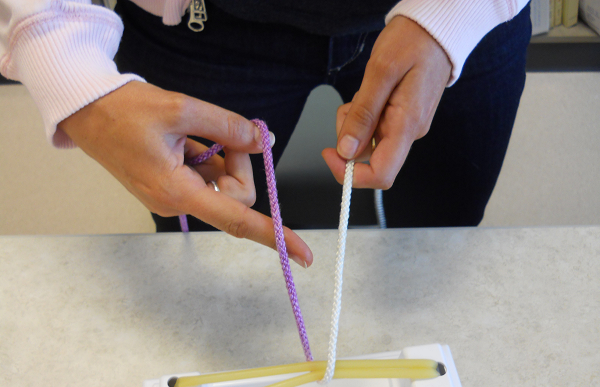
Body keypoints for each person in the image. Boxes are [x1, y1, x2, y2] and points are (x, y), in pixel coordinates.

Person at [0, 0, 531, 268]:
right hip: (202, 27)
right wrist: (64, 63)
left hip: (457, 21)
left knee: (438, 248)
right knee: (215, 262)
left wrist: (456, 15)